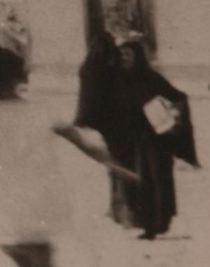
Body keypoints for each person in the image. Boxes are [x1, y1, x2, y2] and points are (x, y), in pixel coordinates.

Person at [74, 35, 197, 239]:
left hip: (157, 138)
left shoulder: (151, 77)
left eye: (128, 54)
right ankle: (149, 225)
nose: (124, 58)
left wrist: (173, 118)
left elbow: (179, 97)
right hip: (136, 139)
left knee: (159, 178)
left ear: (137, 56)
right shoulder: (118, 79)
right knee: (143, 179)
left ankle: (161, 222)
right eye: (121, 54)